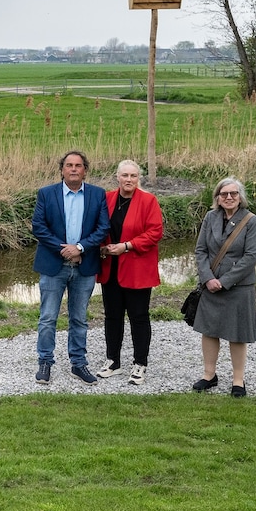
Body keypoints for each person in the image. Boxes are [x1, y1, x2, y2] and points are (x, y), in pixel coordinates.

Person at [31, 150, 110, 386]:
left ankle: (78, 363)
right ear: (62, 169)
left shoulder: (97, 195)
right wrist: (62, 248)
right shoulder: (47, 194)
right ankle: (45, 362)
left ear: (85, 169)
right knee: (47, 318)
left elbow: (103, 227)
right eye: (69, 165)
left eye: (78, 165)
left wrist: (81, 247)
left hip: (83, 266)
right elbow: (39, 226)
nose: (74, 169)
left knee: (79, 319)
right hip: (54, 266)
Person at [191, 177, 256, 398]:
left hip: (238, 287)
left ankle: (238, 380)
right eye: (224, 194)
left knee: (237, 334)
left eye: (233, 193)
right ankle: (209, 375)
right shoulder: (210, 217)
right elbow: (201, 251)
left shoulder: (251, 221)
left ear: (240, 197)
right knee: (209, 331)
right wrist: (208, 278)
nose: (229, 197)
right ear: (218, 198)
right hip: (210, 284)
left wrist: (224, 281)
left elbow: (251, 256)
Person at [96, 160, 164, 385]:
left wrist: (127, 246)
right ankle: (112, 361)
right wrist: (102, 247)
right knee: (112, 316)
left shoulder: (148, 201)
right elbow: (97, 226)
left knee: (139, 317)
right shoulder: (107, 199)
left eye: (133, 176)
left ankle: (140, 363)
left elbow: (155, 232)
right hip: (111, 268)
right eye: (125, 175)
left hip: (137, 268)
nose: (129, 180)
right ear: (117, 177)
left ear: (138, 179)